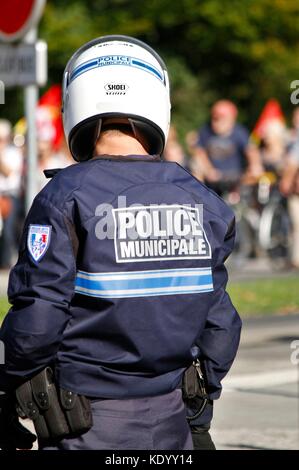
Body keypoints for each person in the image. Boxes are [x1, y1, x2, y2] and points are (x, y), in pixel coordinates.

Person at [0, 35, 241, 450]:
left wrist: (6, 385)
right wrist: (203, 397)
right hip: (173, 419)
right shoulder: (203, 201)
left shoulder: (64, 196)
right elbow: (220, 320)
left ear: (75, 104)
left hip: (84, 423)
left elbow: (38, 317)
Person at [192, 100, 263, 195]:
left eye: (221, 118)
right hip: (212, 176)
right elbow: (199, 152)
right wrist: (209, 170)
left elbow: (251, 151)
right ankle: (198, 197)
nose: (216, 122)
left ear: (232, 118)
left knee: (256, 173)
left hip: (235, 176)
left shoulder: (240, 132)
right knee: (196, 165)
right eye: (215, 118)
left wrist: (255, 165)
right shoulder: (205, 131)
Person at [0, 119, 23, 269]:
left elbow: (8, 172)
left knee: (8, 231)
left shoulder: (13, 153)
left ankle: (7, 263)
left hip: (10, 195)